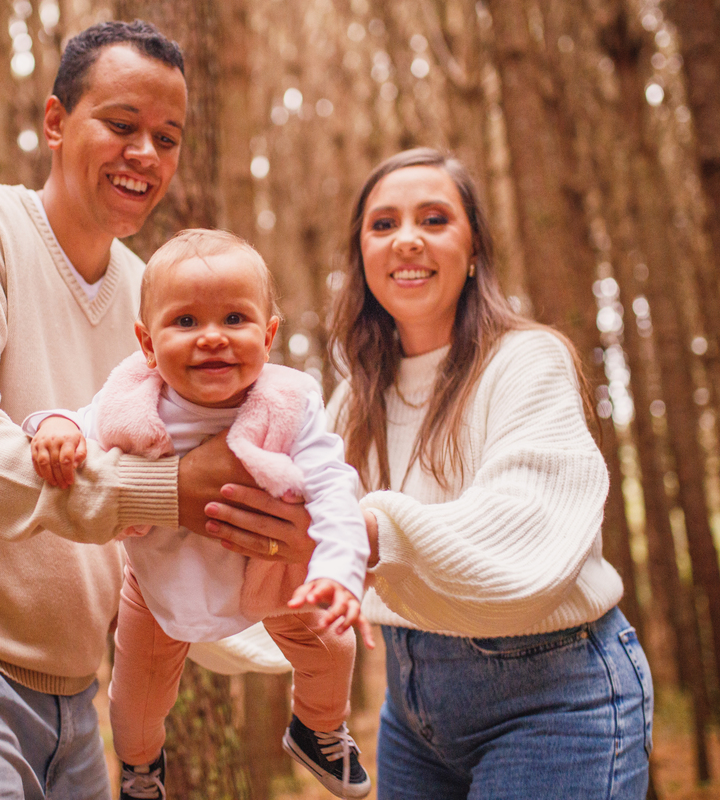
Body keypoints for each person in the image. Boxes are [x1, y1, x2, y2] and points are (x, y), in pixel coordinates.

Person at [0, 21, 310, 800]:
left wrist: (291, 603)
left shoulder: (155, 301)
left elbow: (171, 527)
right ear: (56, 123)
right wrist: (166, 489)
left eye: (167, 136)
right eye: (121, 125)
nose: (146, 155)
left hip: (74, 702)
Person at [211, 147, 653, 799]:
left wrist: (366, 532)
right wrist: (169, 581)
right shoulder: (350, 401)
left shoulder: (528, 362)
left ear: (474, 251)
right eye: (383, 225)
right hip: (413, 710)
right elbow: (289, 546)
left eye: (435, 219)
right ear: (362, 256)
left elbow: (528, 523)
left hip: (555, 700)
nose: (407, 241)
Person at [25, 229, 373, 800]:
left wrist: (337, 566)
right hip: (159, 582)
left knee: (334, 647)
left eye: (234, 319)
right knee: (137, 701)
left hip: (268, 570)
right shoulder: (134, 401)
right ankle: (140, 768)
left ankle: (317, 728)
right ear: (147, 342)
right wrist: (52, 428)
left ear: (268, 334)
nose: (212, 338)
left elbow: (333, 484)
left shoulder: (288, 403)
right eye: (185, 322)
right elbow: (71, 419)